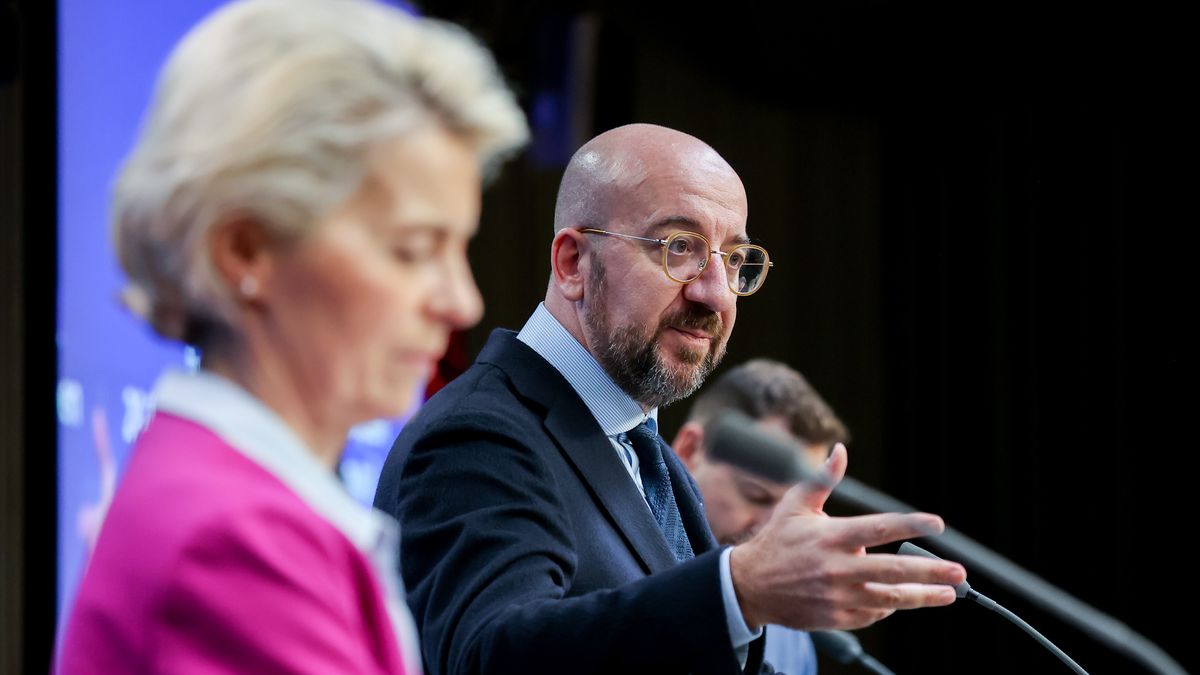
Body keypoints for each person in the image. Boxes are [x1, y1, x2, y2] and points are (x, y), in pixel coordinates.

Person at [374, 123, 965, 675]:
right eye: (678, 247)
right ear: (573, 262)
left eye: (734, 259)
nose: (716, 295)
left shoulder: (643, 450)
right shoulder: (481, 434)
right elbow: (490, 654)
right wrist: (739, 591)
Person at [56, 0, 527, 672]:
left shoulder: (235, 501)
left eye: (460, 250)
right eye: (413, 249)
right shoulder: (236, 543)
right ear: (246, 250)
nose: (461, 301)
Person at [672, 358, 852, 675]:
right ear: (689, 450)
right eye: (756, 495)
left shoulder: (787, 625)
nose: (774, 529)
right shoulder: (617, 573)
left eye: (792, 508)